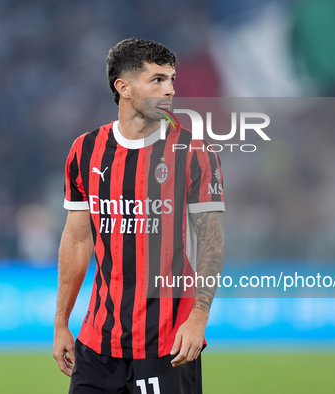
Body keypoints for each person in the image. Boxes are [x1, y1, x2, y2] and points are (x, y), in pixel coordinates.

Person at [53, 38, 225, 394]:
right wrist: (61, 322)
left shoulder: (193, 150)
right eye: (158, 80)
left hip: (168, 344)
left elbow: (212, 240)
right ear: (124, 88)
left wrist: (198, 320)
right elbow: (77, 239)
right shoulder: (85, 150)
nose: (171, 90)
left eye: (172, 80)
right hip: (98, 342)